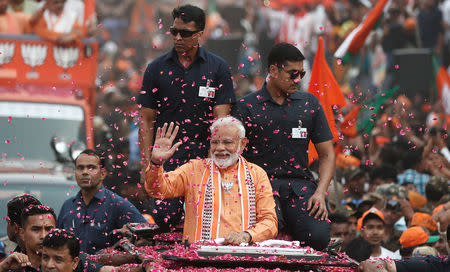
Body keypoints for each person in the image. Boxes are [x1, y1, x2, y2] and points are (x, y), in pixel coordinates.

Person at [138, 4, 235, 228]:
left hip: (204, 156)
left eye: (186, 33)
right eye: (174, 32)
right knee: (165, 220)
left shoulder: (218, 68)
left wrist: (216, 162)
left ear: (200, 34)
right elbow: (146, 120)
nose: (178, 37)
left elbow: (221, 122)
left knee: (205, 220)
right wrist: (147, 166)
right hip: (166, 158)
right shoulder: (156, 68)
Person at [232, 42, 335, 250]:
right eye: (292, 74)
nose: (297, 80)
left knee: (318, 237)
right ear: (273, 71)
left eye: (301, 74)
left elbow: (327, 154)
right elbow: (233, 156)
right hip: (260, 187)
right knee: (265, 232)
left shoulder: (309, 104)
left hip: (300, 187)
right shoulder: (246, 106)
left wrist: (320, 193)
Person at [145, 117, 278, 244]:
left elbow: (270, 222)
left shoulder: (257, 174)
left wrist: (246, 236)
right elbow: (158, 190)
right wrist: (156, 163)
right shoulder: (194, 169)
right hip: (197, 258)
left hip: (242, 257)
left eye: (227, 142)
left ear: (242, 144)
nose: (220, 148)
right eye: (215, 142)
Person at [57, 149, 146, 254]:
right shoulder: (68, 206)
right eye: (80, 168)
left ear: (103, 174)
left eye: (91, 167)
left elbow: (146, 238)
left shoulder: (118, 205)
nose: (85, 172)